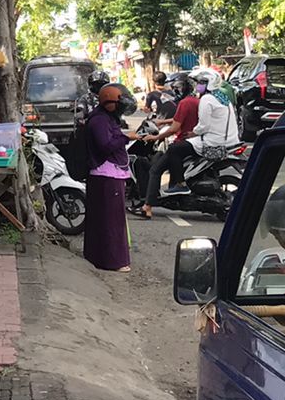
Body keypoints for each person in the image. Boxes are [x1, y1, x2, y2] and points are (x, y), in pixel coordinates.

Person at [82, 84, 132, 273]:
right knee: (112, 221)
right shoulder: (99, 120)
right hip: (107, 174)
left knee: (104, 219)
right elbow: (105, 145)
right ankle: (113, 261)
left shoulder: (105, 118)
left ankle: (98, 257)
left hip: (107, 173)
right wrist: (126, 138)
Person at [140, 76, 201, 218]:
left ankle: (147, 206)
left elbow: (174, 128)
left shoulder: (184, 103)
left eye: (176, 89)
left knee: (155, 170)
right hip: (195, 142)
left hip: (183, 141)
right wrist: (162, 122)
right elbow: (177, 119)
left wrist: (155, 137)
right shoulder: (197, 102)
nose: (175, 92)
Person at [183, 72, 241, 180]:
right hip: (231, 141)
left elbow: (203, 126)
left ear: (210, 84)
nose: (198, 86)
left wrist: (193, 133)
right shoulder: (223, 97)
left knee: (175, 149)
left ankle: (179, 183)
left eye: (201, 83)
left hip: (215, 143)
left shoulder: (207, 99)